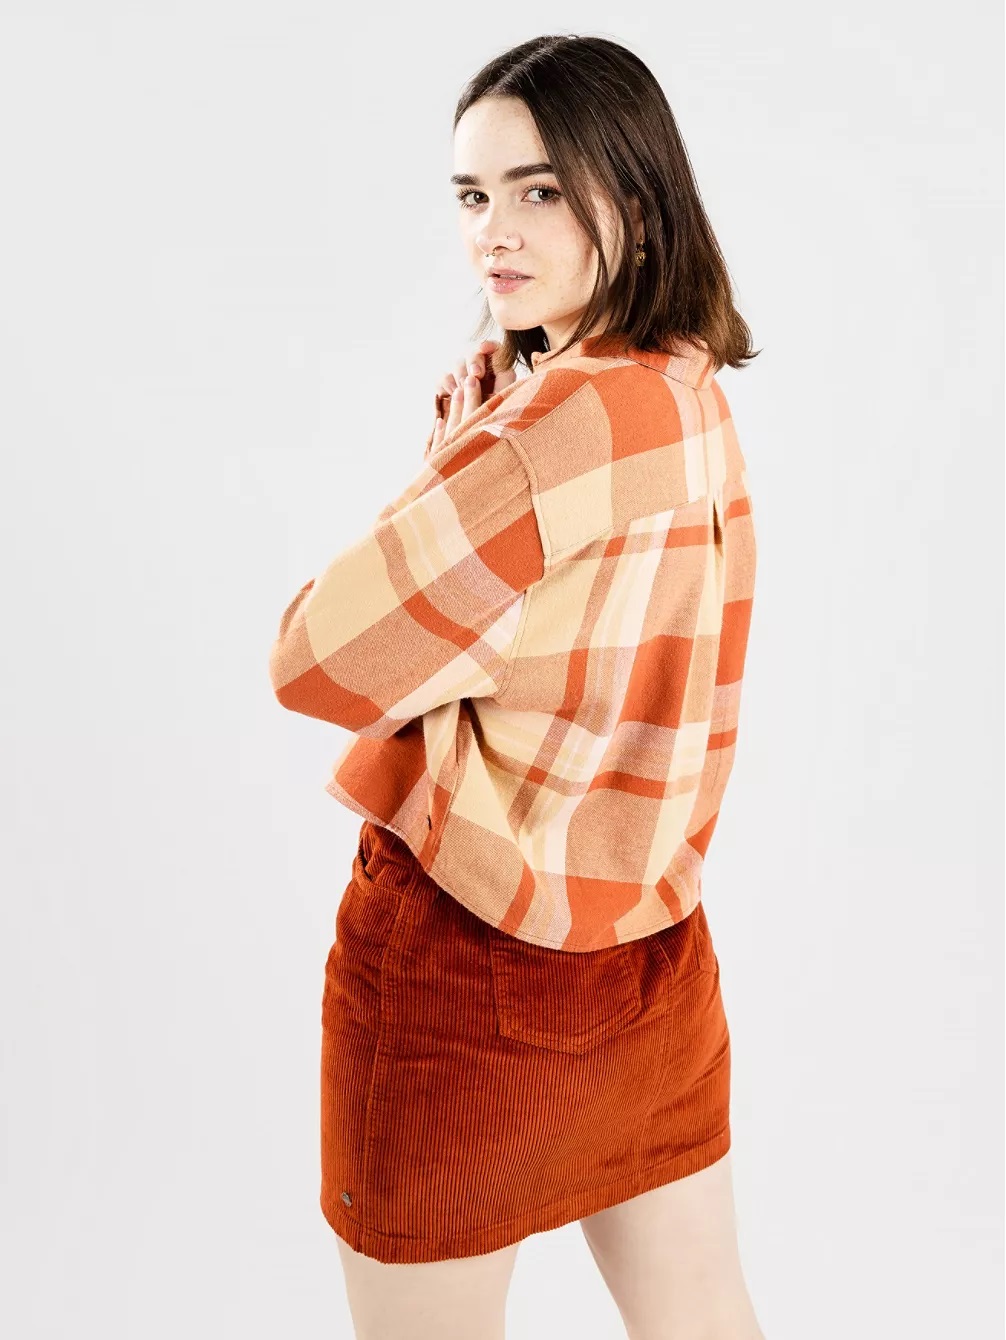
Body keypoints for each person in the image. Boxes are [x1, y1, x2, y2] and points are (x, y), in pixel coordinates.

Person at [269, 32, 765, 1340]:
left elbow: (313, 660)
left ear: (636, 197)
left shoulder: (542, 434)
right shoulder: (687, 389)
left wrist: (464, 453)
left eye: (540, 190)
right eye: (473, 194)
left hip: (463, 962)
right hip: (651, 956)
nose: (494, 231)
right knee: (702, 1311)